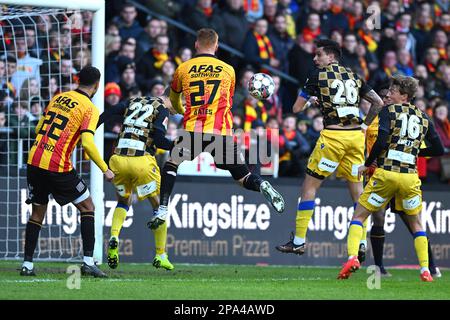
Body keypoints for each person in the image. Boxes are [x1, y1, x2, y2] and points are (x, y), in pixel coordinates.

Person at [148, 28, 285, 230]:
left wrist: (181, 109)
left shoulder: (183, 68)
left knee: (172, 164)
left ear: (196, 44)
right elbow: (227, 101)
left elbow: (174, 99)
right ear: (216, 45)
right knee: (242, 177)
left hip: (193, 131)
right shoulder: (228, 70)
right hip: (221, 132)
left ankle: (163, 208)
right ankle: (260, 184)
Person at [276, 39, 384, 259]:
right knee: (357, 193)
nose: (315, 59)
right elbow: (378, 102)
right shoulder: (353, 76)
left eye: (319, 55)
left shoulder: (317, 76)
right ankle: (361, 242)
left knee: (309, 186)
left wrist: (310, 100)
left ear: (331, 57)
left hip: (333, 138)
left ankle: (298, 241)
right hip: (355, 138)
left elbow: (296, 109)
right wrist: (364, 125)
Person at [338, 76, 444, 282]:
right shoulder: (423, 116)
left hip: (385, 174)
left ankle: (352, 258)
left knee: (359, 216)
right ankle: (425, 270)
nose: (388, 94)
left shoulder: (389, 112)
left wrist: (368, 163)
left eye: (393, 91)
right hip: (410, 178)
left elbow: (382, 140)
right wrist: (413, 153)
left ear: (404, 96)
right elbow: (439, 149)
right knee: (417, 225)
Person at [21, 66, 114, 277]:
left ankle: (27, 265)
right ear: (97, 85)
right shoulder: (89, 108)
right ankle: (88, 262)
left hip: (34, 160)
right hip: (56, 165)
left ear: (77, 79)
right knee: (88, 206)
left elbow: (38, 129)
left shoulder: (58, 97)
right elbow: (88, 144)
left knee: (37, 213)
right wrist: (105, 169)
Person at [97, 89, 176, 271]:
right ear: (171, 97)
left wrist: (91, 129)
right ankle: (160, 255)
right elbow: (158, 138)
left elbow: (109, 112)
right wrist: (176, 145)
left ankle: (114, 237)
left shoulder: (132, 101)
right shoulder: (162, 108)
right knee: (159, 207)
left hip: (117, 159)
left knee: (124, 201)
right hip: (142, 161)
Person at [368, 86, 442, 277]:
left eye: (389, 95)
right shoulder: (372, 121)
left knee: (413, 221)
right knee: (378, 218)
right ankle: (379, 267)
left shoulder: (399, 117)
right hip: (379, 174)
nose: (386, 99)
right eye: (384, 96)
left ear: (401, 97)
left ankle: (431, 266)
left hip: (399, 173)